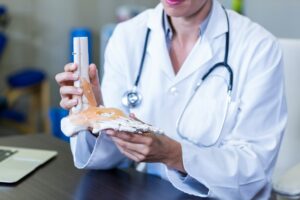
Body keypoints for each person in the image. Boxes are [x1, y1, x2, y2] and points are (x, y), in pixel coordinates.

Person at [55, 0, 287, 199]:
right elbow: (108, 159)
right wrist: (96, 116)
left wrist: (175, 155)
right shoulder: (127, 36)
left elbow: (254, 170)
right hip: (145, 190)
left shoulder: (258, 47)